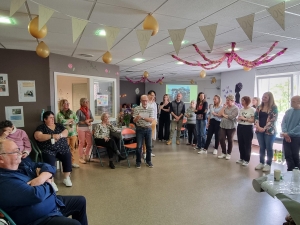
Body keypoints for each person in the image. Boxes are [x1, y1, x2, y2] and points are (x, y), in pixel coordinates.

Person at [0, 139, 88, 225]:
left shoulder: (22, 164)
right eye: (15, 151)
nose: (20, 153)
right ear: (1, 158)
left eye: (19, 149)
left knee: (80, 201)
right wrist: (48, 181)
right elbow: (37, 195)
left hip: (52, 204)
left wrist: (41, 178)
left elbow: (48, 166)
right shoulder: (4, 180)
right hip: (38, 219)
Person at [34, 111, 72, 188]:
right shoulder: (41, 127)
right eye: (50, 118)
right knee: (49, 159)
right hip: (49, 150)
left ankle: (66, 178)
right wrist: (52, 136)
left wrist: (60, 135)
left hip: (62, 148)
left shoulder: (58, 125)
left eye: (53, 118)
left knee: (67, 155)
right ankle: (51, 181)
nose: (52, 119)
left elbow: (66, 132)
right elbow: (37, 136)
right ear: (45, 119)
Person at [254, 92, 278, 172]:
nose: (263, 98)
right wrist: (258, 127)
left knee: (269, 148)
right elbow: (256, 117)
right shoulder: (259, 107)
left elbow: (272, 120)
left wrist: (264, 128)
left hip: (269, 131)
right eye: (263, 97)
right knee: (262, 147)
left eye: (265, 97)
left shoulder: (274, 107)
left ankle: (268, 164)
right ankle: (261, 162)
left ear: (270, 98)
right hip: (259, 129)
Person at [133, 95, 154, 168]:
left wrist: (142, 117)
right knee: (139, 147)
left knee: (149, 146)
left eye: (146, 100)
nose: (145, 102)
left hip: (148, 129)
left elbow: (151, 120)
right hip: (140, 129)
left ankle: (149, 161)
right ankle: (138, 162)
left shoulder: (151, 109)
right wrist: (137, 118)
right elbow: (134, 121)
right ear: (141, 101)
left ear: (148, 101)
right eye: (143, 100)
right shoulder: (137, 109)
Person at [57, 99, 80, 168]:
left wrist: (71, 121)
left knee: (73, 149)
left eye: (68, 103)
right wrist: (70, 120)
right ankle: (66, 163)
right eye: (65, 104)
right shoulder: (59, 114)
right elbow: (62, 122)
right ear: (62, 105)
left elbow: (76, 120)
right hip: (64, 135)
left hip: (73, 133)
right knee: (65, 149)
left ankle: (72, 162)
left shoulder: (72, 112)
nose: (67, 105)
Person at [281, 96, 300, 171]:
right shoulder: (288, 111)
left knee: (295, 155)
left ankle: (297, 172)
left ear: (299, 102)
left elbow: (299, 126)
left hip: (296, 137)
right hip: (286, 136)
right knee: (287, 155)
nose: (291, 103)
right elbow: (283, 123)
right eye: (291, 101)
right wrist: (285, 133)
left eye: (293, 101)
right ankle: (290, 171)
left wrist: (288, 134)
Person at [217, 95, 239, 160]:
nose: (226, 101)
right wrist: (223, 108)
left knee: (230, 140)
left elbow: (232, 117)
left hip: (231, 126)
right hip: (223, 125)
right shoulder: (225, 107)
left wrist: (224, 115)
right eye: (226, 100)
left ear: (232, 101)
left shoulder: (236, 108)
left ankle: (229, 153)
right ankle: (223, 152)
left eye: (228, 100)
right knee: (221, 139)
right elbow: (219, 115)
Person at [236, 96, 255, 166]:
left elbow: (253, 120)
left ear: (247, 101)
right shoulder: (241, 110)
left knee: (247, 144)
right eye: (241, 101)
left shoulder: (252, 109)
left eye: (243, 101)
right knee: (240, 143)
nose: (242, 102)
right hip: (240, 126)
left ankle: (247, 160)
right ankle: (242, 158)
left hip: (248, 127)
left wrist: (245, 118)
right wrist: (238, 119)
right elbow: (240, 118)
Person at [76, 98, 94, 164]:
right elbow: (77, 121)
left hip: (87, 128)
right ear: (82, 103)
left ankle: (86, 156)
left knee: (90, 143)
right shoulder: (79, 111)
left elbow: (92, 119)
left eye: (87, 102)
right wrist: (85, 122)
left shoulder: (89, 110)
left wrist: (89, 120)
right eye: (85, 102)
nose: (87, 103)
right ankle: (81, 158)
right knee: (82, 143)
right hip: (81, 128)